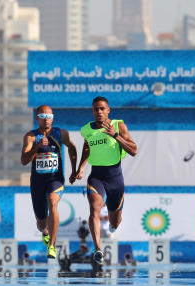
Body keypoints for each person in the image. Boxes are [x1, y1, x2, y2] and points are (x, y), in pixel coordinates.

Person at [73, 96, 137, 264]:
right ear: (92, 111)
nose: (99, 112)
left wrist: (115, 135)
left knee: (115, 220)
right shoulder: (86, 129)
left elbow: (134, 150)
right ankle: (97, 249)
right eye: (96, 109)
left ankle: (114, 224)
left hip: (115, 178)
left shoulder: (118, 125)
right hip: (96, 177)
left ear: (108, 110)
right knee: (94, 207)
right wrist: (81, 166)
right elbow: (87, 146)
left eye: (102, 108)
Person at [21, 105, 77, 259]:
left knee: (53, 202)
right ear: (37, 118)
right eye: (43, 116)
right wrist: (37, 147)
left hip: (55, 179)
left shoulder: (61, 134)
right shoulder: (31, 137)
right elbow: (24, 161)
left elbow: (72, 148)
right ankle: (46, 232)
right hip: (38, 182)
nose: (47, 119)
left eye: (50, 116)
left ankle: (52, 246)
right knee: (41, 224)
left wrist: (74, 170)